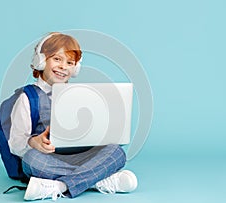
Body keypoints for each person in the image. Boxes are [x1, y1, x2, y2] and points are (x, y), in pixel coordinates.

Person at [8, 32, 138, 201]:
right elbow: (15, 144)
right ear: (40, 61)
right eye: (57, 59)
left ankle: (59, 186)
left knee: (117, 152)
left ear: (75, 68)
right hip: (48, 159)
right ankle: (98, 180)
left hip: (81, 156)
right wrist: (34, 142)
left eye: (70, 63)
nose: (64, 66)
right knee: (31, 161)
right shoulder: (27, 97)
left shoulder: (81, 95)